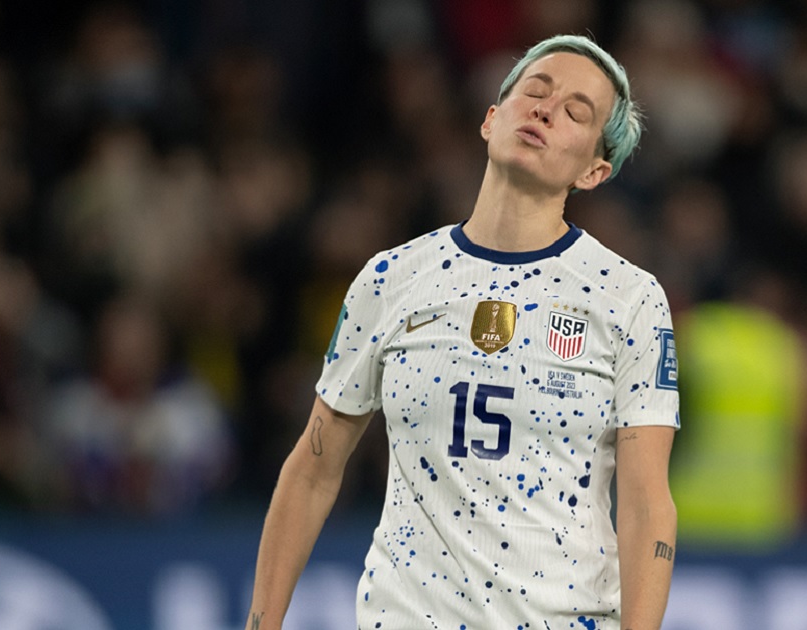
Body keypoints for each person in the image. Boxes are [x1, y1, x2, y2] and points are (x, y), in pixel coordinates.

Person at [246, 34, 679, 630]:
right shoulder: (391, 278)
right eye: (535, 90)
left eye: (577, 112)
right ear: (490, 119)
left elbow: (646, 505)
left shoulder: (628, 298)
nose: (546, 109)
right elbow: (313, 469)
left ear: (594, 170)